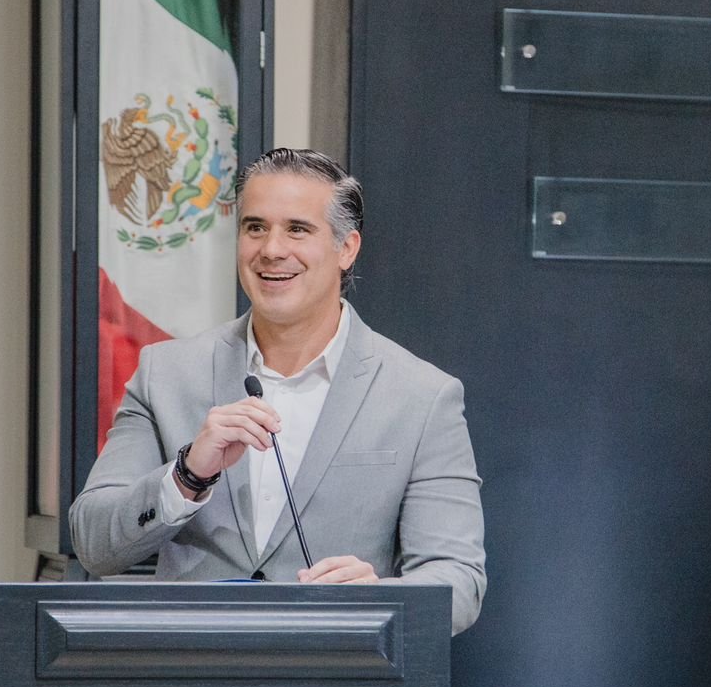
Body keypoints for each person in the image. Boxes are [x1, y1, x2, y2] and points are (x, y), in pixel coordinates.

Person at [71, 148, 486, 633]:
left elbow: (459, 582)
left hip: (336, 673)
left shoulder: (422, 396)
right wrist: (186, 476)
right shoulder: (166, 373)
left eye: (297, 229)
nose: (271, 249)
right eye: (255, 227)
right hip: (188, 669)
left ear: (347, 248)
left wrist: (379, 599)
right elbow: (93, 543)